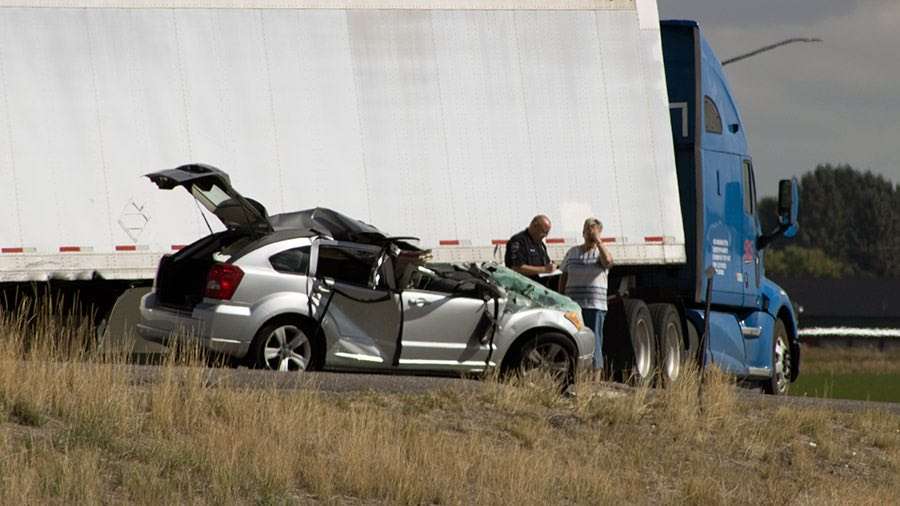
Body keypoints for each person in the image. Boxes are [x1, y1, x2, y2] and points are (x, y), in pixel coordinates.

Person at [559, 217, 613, 372]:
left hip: (594, 305)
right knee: (574, 338)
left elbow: (608, 261)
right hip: (573, 305)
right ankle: (576, 373)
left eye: (593, 229)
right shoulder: (573, 252)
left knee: (594, 340)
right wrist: (561, 297)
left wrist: (598, 241)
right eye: (587, 229)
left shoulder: (600, 252)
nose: (590, 232)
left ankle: (595, 376)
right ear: (583, 232)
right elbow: (564, 274)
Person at [504, 215, 556, 280]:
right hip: (523, 287)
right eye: (543, 232)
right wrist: (544, 269)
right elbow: (516, 268)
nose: (545, 236)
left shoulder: (540, 244)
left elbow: (546, 263)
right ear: (534, 226)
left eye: (547, 233)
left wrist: (551, 266)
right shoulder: (519, 241)